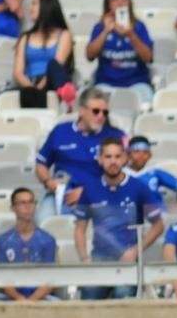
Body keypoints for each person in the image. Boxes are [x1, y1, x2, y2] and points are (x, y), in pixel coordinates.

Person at [73, 138, 164, 300]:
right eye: (108, 157)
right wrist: (85, 258)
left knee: (123, 296)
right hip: (99, 259)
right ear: (100, 160)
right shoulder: (90, 188)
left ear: (124, 159)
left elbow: (158, 226)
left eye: (117, 156)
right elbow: (80, 228)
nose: (113, 161)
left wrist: (135, 251)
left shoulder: (138, 187)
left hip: (128, 259)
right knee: (89, 296)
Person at [35, 87, 128, 219]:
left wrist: (88, 192)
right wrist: (48, 181)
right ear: (82, 110)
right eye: (96, 111)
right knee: (44, 220)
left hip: (102, 195)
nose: (101, 116)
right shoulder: (60, 131)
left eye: (105, 112)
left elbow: (125, 175)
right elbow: (41, 163)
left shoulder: (115, 136)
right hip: (62, 193)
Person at [87, 0, 154, 103]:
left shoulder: (139, 27)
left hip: (137, 84)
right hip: (106, 84)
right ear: (108, 4)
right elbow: (90, 55)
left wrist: (131, 35)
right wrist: (105, 32)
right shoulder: (100, 27)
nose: (120, 3)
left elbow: (148, 58)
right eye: (115, 0)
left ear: (129, 4)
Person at [0, 187, 58, 302]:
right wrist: (19, 298)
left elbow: (50, 279)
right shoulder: (2, 241)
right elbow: (1, 278)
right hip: (10, 297)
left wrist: (31, 300)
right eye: (22, 203)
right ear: (13, 208)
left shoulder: (47, 240)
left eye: (31, 202)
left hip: (41, 298)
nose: (28, 206)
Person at [12, 0, 74, 106]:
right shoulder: (25, 37)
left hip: (52, 82)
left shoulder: (64, 35)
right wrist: (32, 89)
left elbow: (58, 65)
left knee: (52, 65)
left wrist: (40, 88)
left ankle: (66, 93)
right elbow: (18, 73)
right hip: (29, 83)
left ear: (47, 7)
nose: (30, 8)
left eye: (34, 4)